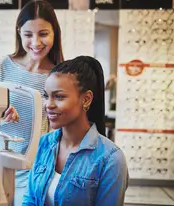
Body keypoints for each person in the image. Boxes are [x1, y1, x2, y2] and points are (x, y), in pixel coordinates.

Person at [0, 0, 64, 205]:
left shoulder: (60, 75)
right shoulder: (0, 68)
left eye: (43, 34)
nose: (36, 42)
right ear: (19, 32)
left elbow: (64, 129)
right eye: (28, 35)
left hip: (40, 170)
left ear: (55, 33)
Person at [23, 56, 129, 206]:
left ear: (86, 99)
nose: (48, 105)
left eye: (59, 97)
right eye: (47, 96)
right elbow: (30, 199)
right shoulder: (43, 144)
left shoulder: (111, 159)